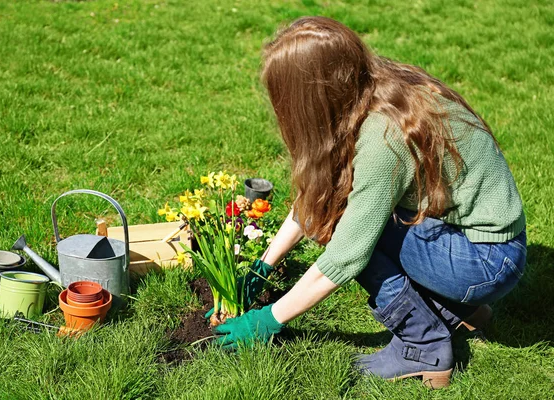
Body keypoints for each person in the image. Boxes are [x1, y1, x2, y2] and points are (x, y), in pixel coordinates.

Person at [212, 16, 526, 389]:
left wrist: (268, 319)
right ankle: (460, 309)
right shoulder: (375, 88)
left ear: (314, 96)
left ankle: (423, 343)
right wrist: (265, 264)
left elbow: (346, 253)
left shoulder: (383, 138)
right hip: (481, 245)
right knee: (332, 207)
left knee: (336, 222)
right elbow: (321, 192)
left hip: (484, 262)